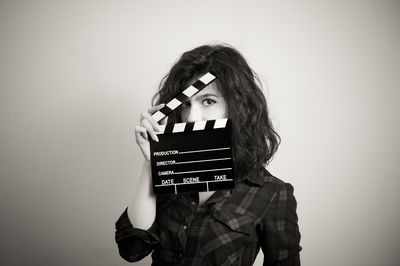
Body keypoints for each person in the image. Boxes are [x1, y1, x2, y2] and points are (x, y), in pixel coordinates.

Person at [115, 44, 302, 265]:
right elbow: (132, 250)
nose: (192, 117)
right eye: (185, 104)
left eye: (208, 101)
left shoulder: (272, 193)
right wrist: (152, 163)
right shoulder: (170, 173)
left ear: (236, 108)